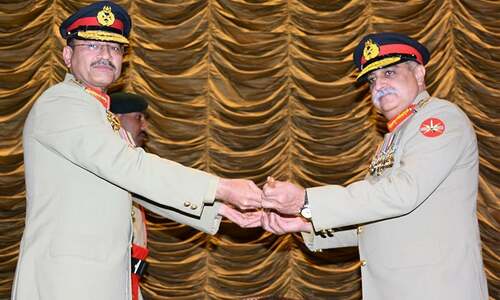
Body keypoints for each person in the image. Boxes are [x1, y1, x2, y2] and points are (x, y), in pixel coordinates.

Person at [12, 2, 262, 299]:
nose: (105, 55)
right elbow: (131, 167)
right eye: (92, 45)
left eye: (115, 49)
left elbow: (131, 186)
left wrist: (220, 209)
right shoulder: (62, 103)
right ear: (68, 55)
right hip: (68, 282)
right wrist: (220, 187)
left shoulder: (100, 113)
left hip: (106, 277)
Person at [256, 33, 489, 299]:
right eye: (372, 79)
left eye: (389, 73)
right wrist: (303, 223)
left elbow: (402, 193)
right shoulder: (393, 137)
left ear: (420, 74)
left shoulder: (438, 119)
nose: (379, 85)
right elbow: (376, 222)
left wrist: (306, 200)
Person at [109, 92, 149, 300]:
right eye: (138, 118)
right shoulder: (103, 169)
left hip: (127, 283)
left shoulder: (131, 169)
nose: (144, 127)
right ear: (115, 119)